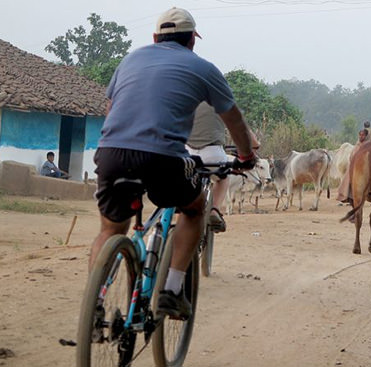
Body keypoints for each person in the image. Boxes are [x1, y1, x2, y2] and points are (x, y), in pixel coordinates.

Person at [91, 7, 256, 320]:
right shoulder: (203, 68)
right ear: (192, 40)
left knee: (110, 229)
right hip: (164, 157)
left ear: (155, 38)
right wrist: (247, 157)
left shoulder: (130, 59)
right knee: (194, 210)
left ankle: (95, 307)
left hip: (111, 151)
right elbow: (234, 119)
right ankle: (171, 290)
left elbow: (111, 107)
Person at [186, 102, 260, 233]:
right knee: (222, 178)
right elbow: (239, 126)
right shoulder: (218, 96)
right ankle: (215, 209)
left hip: (184, 152)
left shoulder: (184, 94)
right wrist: (255, 145)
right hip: (212, 152)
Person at [336, 128, 371, 205]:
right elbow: (352, 155)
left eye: (362, 135)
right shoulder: (357, 145)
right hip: (354, 166)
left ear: (366, 136)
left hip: (364, 167)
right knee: (347, 179)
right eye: (360, 135)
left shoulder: (368, 145)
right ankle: (347, 197)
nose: (361, 136)